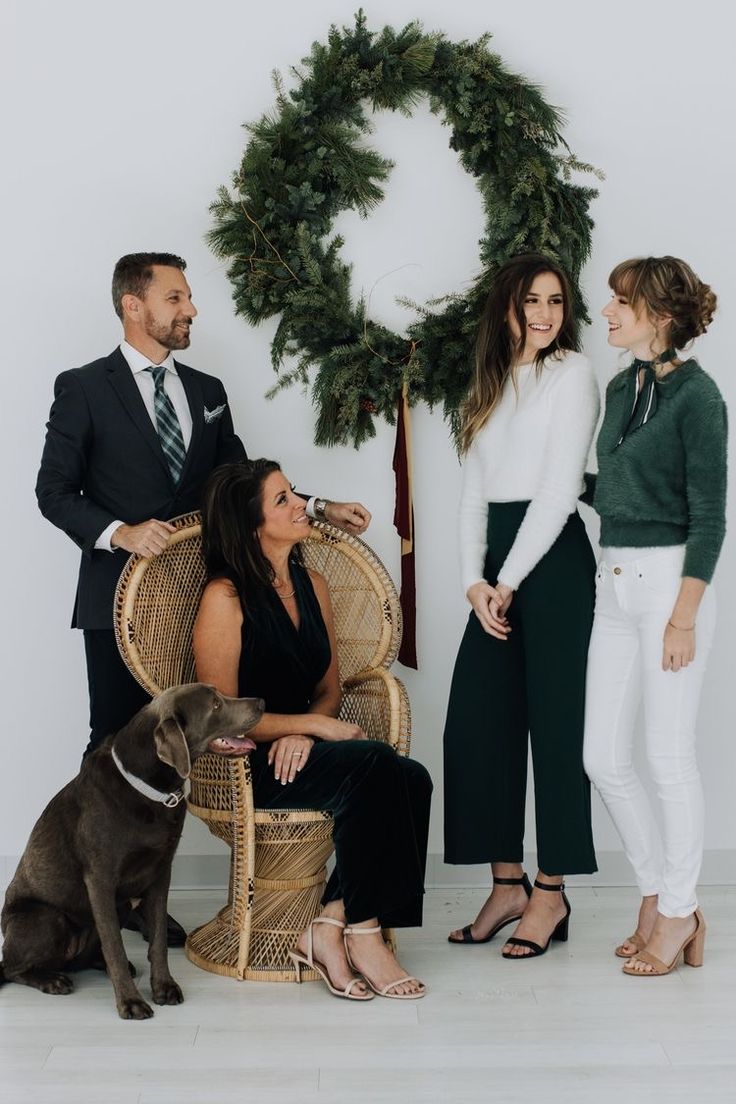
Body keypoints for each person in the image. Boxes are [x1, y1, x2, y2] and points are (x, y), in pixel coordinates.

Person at [35, 251, 371, 944]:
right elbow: (53, 492)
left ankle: (142, 902)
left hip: (198, 600)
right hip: (116, 604)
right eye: (177, 297)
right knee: (114, 754)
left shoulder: (207, 388)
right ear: (135, 304)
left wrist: (313, 503)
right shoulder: (83, 388)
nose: (191, 309)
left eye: (189, 298)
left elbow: (244, 481)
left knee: (184, 755)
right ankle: (87, 909)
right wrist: (119, 531)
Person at [193, 459, 432, 1000]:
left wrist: (311, 729)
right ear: (252, 524)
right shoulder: (223, 598)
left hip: (304, 751)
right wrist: (307, 727)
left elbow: (329, 685)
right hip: (249, 762)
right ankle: (364, 934)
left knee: (412, 778)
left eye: (292, 494)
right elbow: (220, 713)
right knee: (377, 765)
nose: (301, 504)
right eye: (283, 500)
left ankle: (331, 923)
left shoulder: (313, 584)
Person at [443, 253, 599, 958]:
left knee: (557, 730)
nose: (543, 313)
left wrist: (506, 577)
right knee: (477, 725)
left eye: (555, 302)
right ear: (505, 306)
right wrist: (472, 581)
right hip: (498, 569)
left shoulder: (573, 375)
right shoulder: (486, 384)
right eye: (531, 300)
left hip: (554, 561)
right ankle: (506, 884)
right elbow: (473, 492)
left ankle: (551, 891)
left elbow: (561, 489)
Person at [583, 256, 726, 976]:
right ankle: (658, 893)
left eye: (620, 302)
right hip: (613, 584)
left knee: (668, 758)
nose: (605, 311)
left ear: (661, 318)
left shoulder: (699, 399)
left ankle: (677, 912)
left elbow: (710, 518)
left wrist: (683, 618)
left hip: (671, 584)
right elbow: (613, 488)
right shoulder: (622, 384)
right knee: (602, 757)